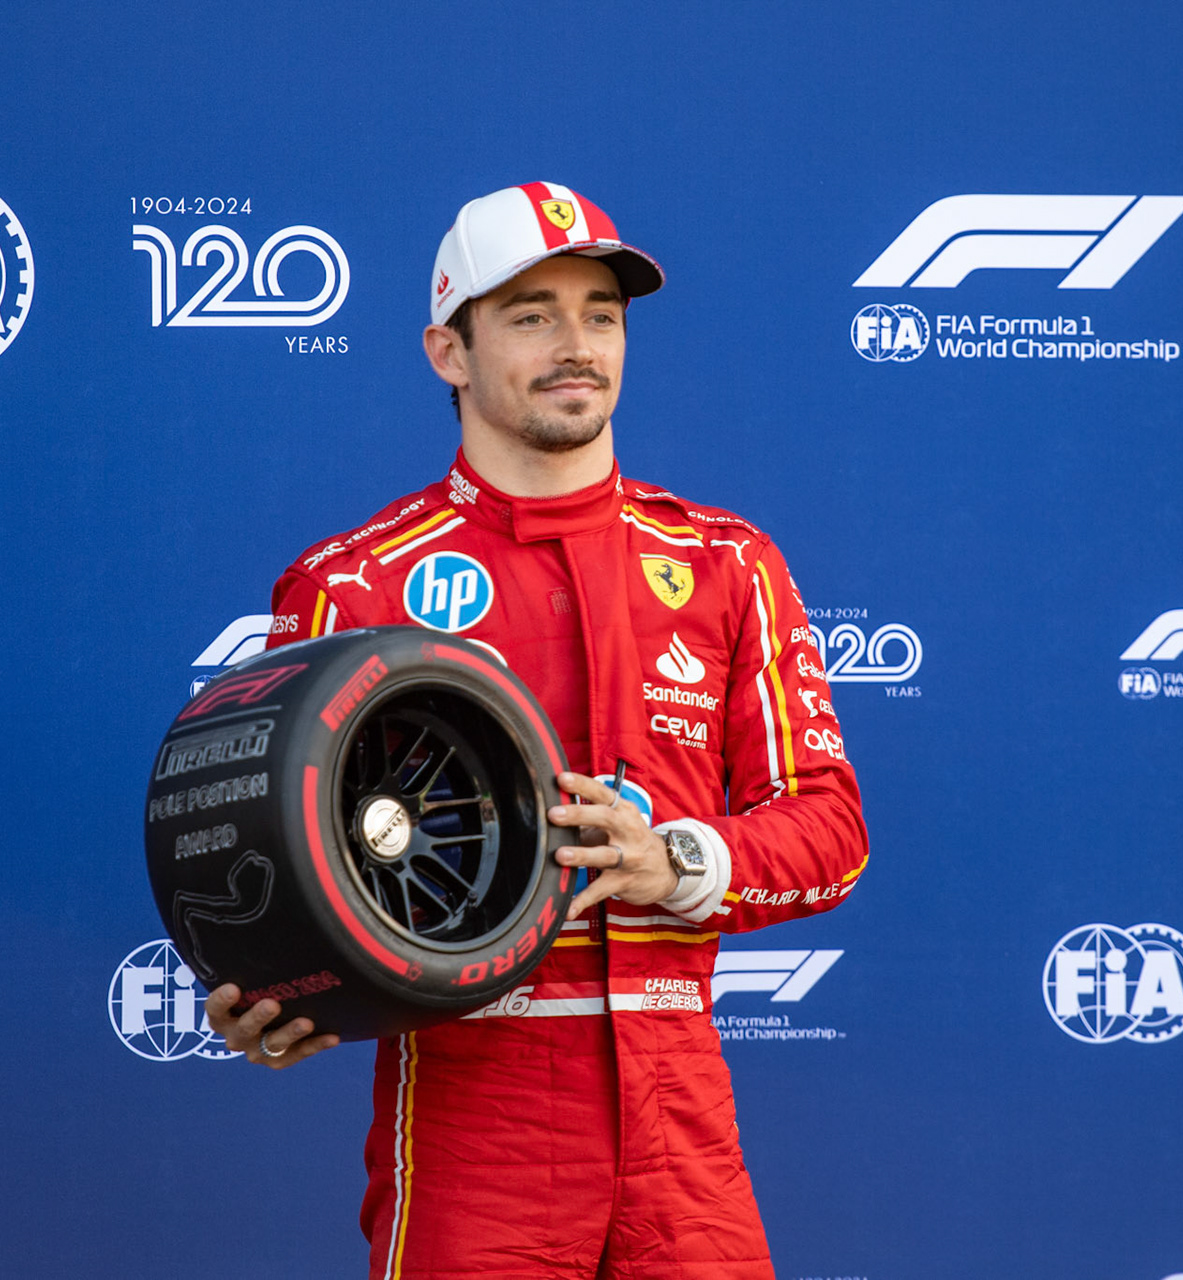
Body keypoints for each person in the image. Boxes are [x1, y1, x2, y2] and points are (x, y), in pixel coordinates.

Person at [205, 181, 868, 1279]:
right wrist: (279, 984)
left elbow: (831, 827)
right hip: (478, 1118)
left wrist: (678, 860)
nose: (576, 345)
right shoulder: (350, 586)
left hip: (682, 1121)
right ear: (447, 351)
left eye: (600, 313)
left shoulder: (726, 562)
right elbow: (277, 860)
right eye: (530, 314)